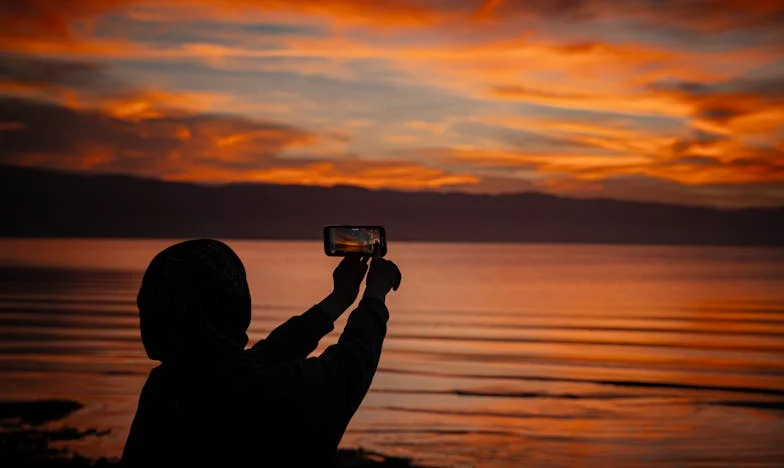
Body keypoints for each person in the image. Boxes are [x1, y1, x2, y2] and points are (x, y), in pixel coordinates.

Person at [121, 238, 401, 467]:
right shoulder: (260, 395)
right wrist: (374, 296)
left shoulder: (166, 386)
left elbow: (261, 358)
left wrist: (338, 300)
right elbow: (348, 371)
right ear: (231, 302)